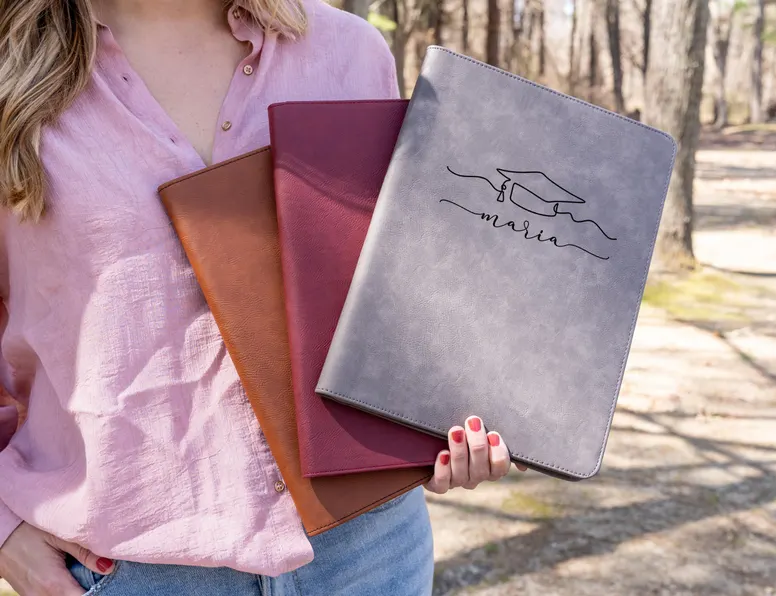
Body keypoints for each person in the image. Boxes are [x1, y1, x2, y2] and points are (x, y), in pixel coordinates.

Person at [0, 1, 526, 594]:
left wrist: (443, 425)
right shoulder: (12, 73)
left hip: (368, 552)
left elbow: (402, 292)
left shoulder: (350, 53)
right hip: (132, 569)